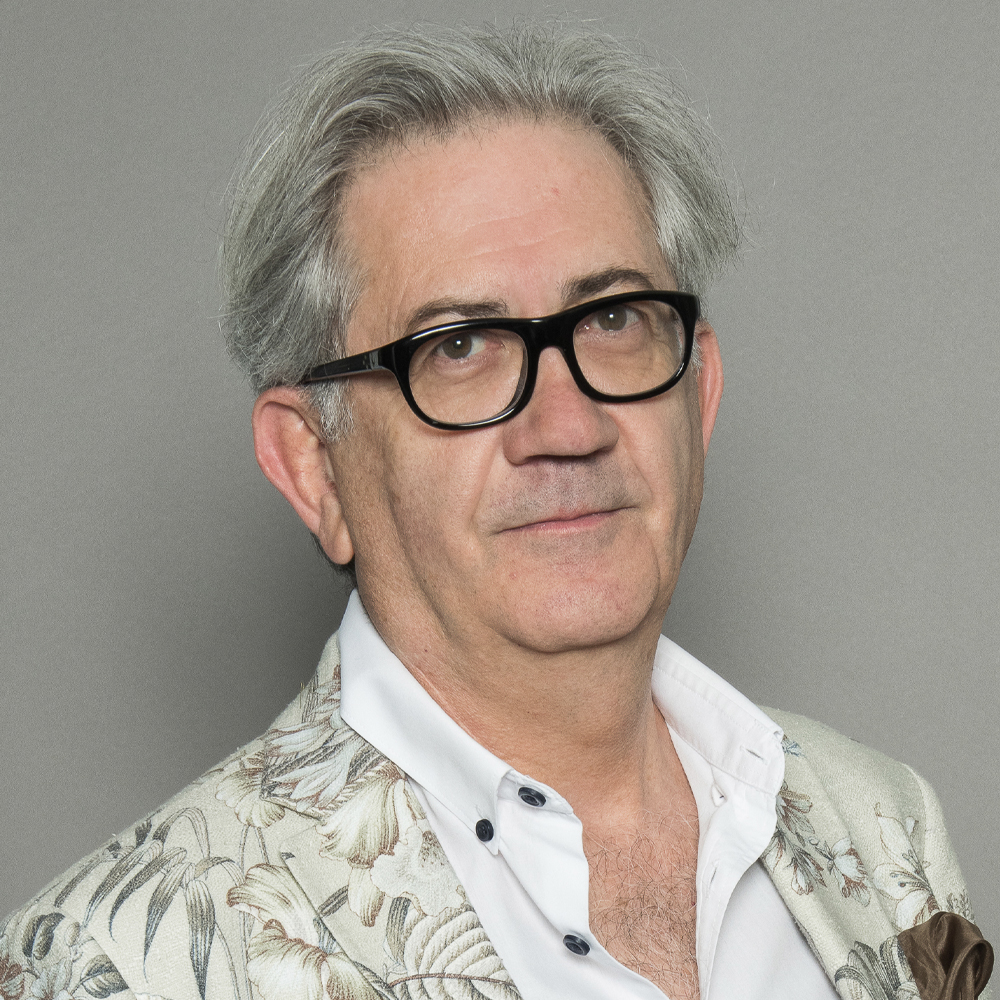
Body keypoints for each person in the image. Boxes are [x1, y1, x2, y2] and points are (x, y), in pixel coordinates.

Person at [1, 21, 991, 1000]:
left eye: (612, 319)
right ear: (313, 467)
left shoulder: (881, 826)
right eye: (458, 347)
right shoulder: (117, 964)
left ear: (699, 394)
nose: (567, 425)